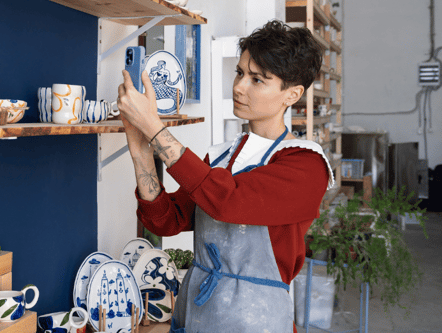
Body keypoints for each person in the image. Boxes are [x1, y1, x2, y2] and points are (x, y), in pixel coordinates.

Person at [116, 20, 333, 332]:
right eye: (240, 72)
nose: (239, 87)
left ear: (292, 94)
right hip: (197, 314)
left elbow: (229, 201)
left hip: (257, 322)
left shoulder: (306, 164)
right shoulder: (220, 156)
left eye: (257, 80)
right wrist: (140, 150)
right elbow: (166, 220)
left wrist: (154, 128)